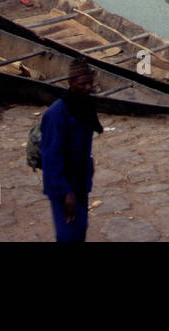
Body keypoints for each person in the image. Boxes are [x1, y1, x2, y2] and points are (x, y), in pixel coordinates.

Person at [40, 58, 102, 242]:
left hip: (80, 177)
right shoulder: (57, 113)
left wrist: (88, 160)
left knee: (80, 227)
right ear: (71, 83)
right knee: (68, 233)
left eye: (90, 83)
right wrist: (66, 192)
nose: (88, 87)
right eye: (83, 83)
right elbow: (51, 156)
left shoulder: (86, 106)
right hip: (62, 182)